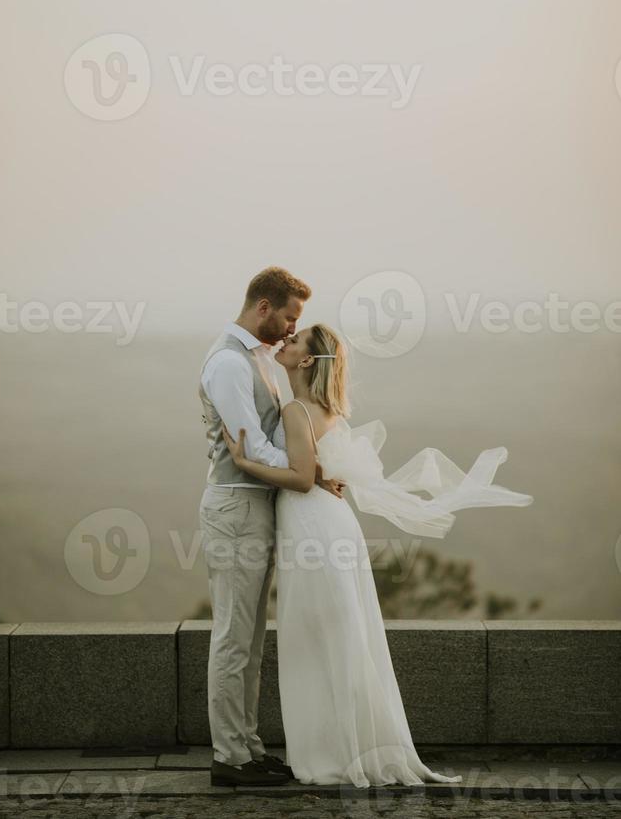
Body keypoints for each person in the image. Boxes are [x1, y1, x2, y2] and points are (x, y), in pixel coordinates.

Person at [222, 322, 534, 787]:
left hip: (313, 531)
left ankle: (331, 754)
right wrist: (318, 475)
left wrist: (243, 462)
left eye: (295, 341)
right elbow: (318, 470)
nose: (286, 343)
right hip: (332, 524)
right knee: (344, 637)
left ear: (306, 361)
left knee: (313, 641)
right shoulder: (328, 410)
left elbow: (302, 478)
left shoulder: (293, 410)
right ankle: (350, 747)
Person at [198, 267, 344, 788]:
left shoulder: (259, 358)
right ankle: (229, 759)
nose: (290, 328)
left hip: (257, 506)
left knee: (251, 640)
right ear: (263, 306)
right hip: (236, 509)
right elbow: (250, 449)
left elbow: (266, 446)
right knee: (233, 638)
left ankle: (249, 747)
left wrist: (312, 469)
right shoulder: (227, 363)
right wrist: (305, 467)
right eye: (289, 316)